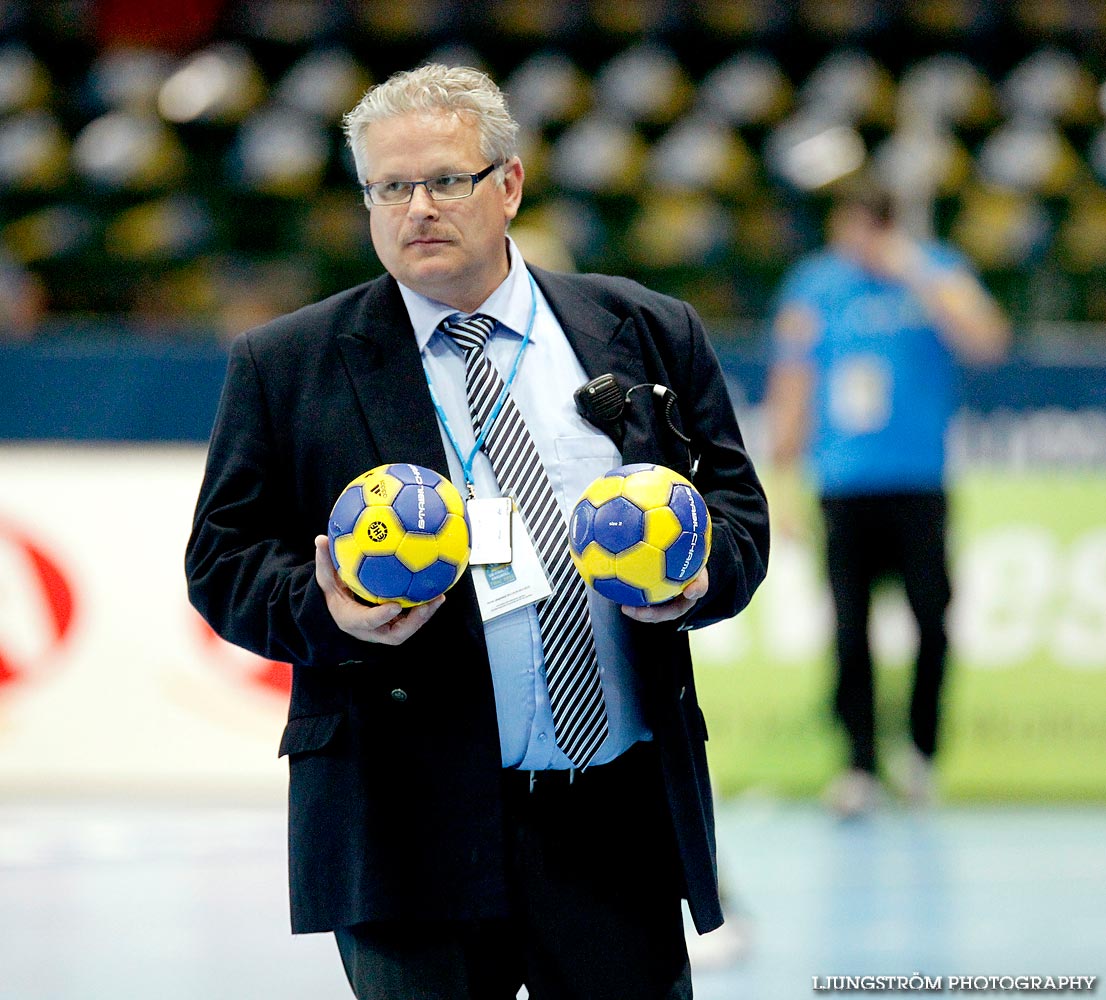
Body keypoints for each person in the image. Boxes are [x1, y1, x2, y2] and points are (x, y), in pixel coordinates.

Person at [186, 64, 769, 1000]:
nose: (416, 207)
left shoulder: (648, 331)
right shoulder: (286, 365)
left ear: (509, 184)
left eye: (445, 180)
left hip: (612, 817)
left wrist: (695, 581)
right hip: (403, 815)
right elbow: (221, 563)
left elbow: (738, 517)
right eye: (389, 187)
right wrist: (330, 607)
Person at [765, 183, 1009, 817]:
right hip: (844, 484)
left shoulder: (936, 272)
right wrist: (782, 484)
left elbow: (986, 341)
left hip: (918, 481)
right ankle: (858, 763)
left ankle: (921, 754)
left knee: (932, 616)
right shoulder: (815, 285)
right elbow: (794, 381)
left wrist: (917, 271)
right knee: (849, 626)